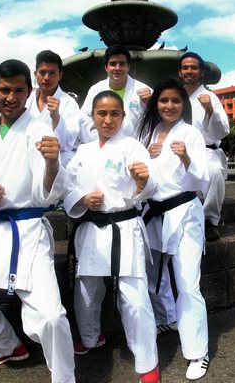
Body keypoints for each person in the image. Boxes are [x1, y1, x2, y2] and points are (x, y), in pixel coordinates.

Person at [0, 59, 75, 383]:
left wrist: (51, 163)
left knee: (50, 317)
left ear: (28, 91)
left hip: (27, 230)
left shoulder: (39, 131)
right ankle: (9, 346)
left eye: (19, 90)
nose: (11, 97)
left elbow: (48, 193)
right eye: (5, 90)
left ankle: (64, 378)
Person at [64, 91, 161, 383]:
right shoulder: (82, 151)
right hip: (91, 230)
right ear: (93, 116)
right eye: (102, 113)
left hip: (123, 228)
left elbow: (150, 185)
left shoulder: (132, 147)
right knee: (86, 291)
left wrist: (143, 180)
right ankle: (92, 338)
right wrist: (82, 199)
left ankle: (147, 362)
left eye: (114, 114)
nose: (108, 120)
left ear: (122, 116)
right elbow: (67, 187)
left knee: (134, 298)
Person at [137, 78, 210, 381]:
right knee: (156, 274)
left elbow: (201, 180)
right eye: (163, 101)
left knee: (187, 282)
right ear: (156, 104)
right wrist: (147, 159)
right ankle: (169, 318)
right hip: (155, 213)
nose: (169, 106)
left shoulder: (191, 134)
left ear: (184, 105)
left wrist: (186, 157)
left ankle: (198, 352)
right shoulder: (151, 134)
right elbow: (144, 181)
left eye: (175, 101)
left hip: (184, 214)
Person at [178, 52, 229, 241]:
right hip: (178, 150)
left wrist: (210, 110)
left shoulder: (210, 97)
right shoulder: (176, 96)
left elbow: (222, 131)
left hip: (205, 150)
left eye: (193, 67)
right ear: (180, 72)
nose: (189, 71)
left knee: (214, 172)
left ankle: (210, 220)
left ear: (201, 72)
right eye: (185, 68)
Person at [77, 45, 151, 143]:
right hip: (102, 147)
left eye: (122, 64)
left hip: (134, 150)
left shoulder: (146, 92)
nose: (117, 68)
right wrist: (101, 141)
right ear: (106, 67)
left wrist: (151, 104)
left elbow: (156, 124)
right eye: (113, 64)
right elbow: (83, 120)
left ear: (128, 66)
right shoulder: (95, 90)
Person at [26, 50, 80, 167]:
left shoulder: (69, 103)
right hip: (26, 158)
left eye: (52, 73)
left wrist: (56, 117)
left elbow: (67, 144)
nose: (46, 77)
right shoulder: (27, 99)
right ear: (35, 74)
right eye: (43, 72)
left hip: (55, 163)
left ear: (60, 75)